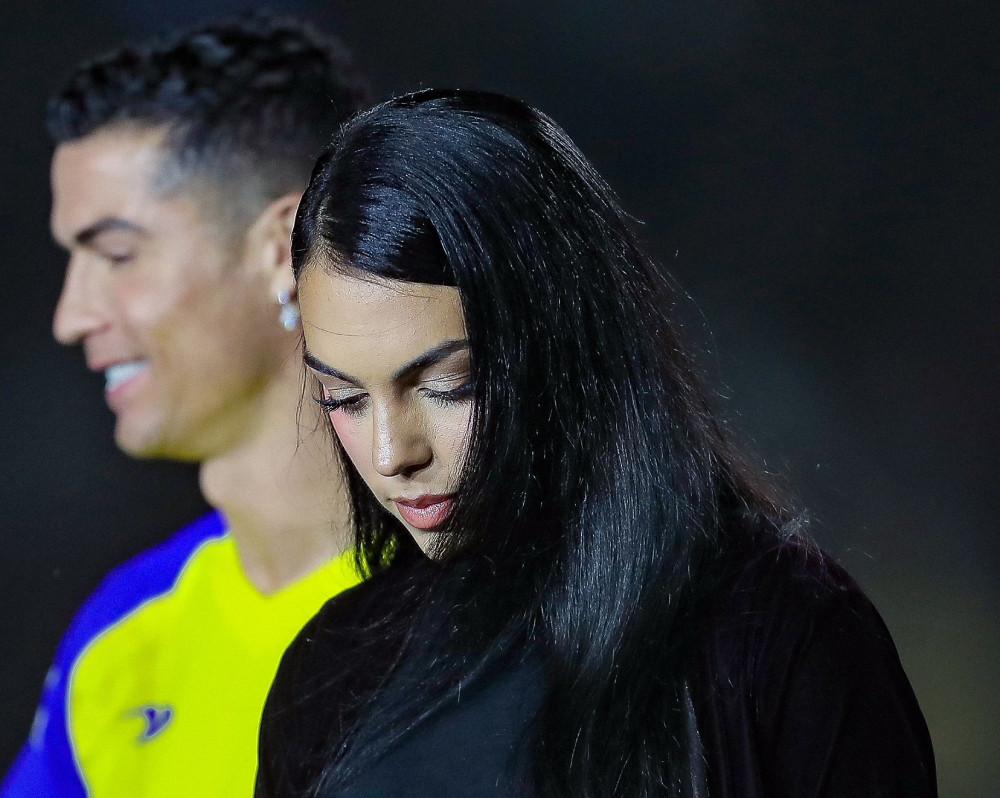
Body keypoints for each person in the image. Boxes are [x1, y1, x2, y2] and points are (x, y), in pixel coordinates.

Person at [255, 89, 938, 797]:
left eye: (451, 384)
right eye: (346, 399)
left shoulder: (782, 637)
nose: (392, 453)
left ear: (566, 336)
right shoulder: (329, 678)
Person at [2, 16, 373, 797]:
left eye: (118, 255)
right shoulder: (123, 630)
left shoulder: (501, 595)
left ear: (283, 247)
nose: (72, 317)